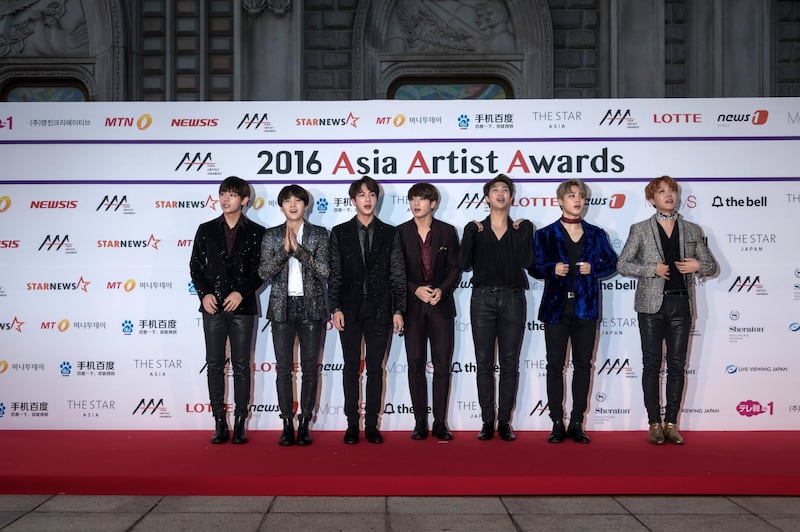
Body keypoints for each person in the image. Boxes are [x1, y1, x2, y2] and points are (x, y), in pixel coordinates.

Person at [617, 175, 717, 445]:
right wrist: (652, 269)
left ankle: (671, 423)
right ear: (652, 199)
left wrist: (698, 266)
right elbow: (623, 264)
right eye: (662, 191)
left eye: (672, 190)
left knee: (676, 366)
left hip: (681, 303)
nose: (669, 195)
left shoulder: (693, 230)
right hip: (650, 306)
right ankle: (653, 423)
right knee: (651, 365)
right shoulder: (639, 229)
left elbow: (711, 266)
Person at [529, 179, 618, 445]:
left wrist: (595, 269)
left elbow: (612, 263)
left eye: (581, 196)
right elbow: (534, 266)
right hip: (556, 310)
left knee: (583, 366)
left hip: (585, 309)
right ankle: (557, 422)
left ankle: (577, 422)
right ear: (560, 201)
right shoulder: (544, 234)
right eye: (571, 196)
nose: (577, 200)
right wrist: (550, 269)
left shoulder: (596, 233)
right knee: (555, 366)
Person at [329, 176, 406, 444]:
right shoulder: (339, 232)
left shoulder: (390, 232)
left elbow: (397, 273)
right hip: (348, 310)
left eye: (372, 194)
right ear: (353, 200)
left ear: (377, 198)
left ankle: (371, 424)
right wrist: (335, 307)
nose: (367, 199)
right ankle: (352, 423)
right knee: (351, 367)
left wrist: (398, 310)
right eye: (362, 195)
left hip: (381, 309)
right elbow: (335, 273)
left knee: (375, 368)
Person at [189, 176, 266, 444]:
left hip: (242, 307)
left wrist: (240, 292)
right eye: (223, 193)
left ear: (244, 200)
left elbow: (261, 270)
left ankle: (241, 422)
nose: (225, 199)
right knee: (214, 364)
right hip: (212, 308)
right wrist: (205, 294)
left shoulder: (258, 232)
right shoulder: (206, 229)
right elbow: (195, 267)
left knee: (242, 365)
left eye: (232, 194)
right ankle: (219, 422)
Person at [459, 173, 535, 441]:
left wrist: (524, 233)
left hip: (513, 298)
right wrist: (469, 233)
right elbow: (463, 264)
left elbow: (528, 262)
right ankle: (486, 421)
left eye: (505, 190)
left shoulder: (522, 228)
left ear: (512, 197)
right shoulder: (476, 229)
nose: (501, 193)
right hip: (482, 299)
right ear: (487, 197)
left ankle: (505, 421)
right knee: (483, 363)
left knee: (510, 362)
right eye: (495, 190)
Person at [258, 185, 329, 447]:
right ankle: (287, 422)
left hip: (311, 308)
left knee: (310, 369)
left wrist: (298, 250)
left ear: (306, 205)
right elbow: (264, 272)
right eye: (287, 201)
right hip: (281, 308)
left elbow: (325, 271)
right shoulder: (271, 235)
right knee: (283, 369)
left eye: (297, 200)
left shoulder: (319, 234)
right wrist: (284, 252)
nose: (292, 205)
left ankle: (305, 422)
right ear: (281, 207)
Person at [398, 183, 461, 441]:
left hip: (440, 306)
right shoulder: (400, 232)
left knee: (442, 365)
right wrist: (415, 290)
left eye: (422, 199)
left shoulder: (447, 232)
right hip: (413, 307)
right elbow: (396, 270)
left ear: (433, 203)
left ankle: (440, 422)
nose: (416, 203)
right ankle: (420, 422)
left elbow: (456, 268)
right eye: (413, 198)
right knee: (415, 365)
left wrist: (441, 291)